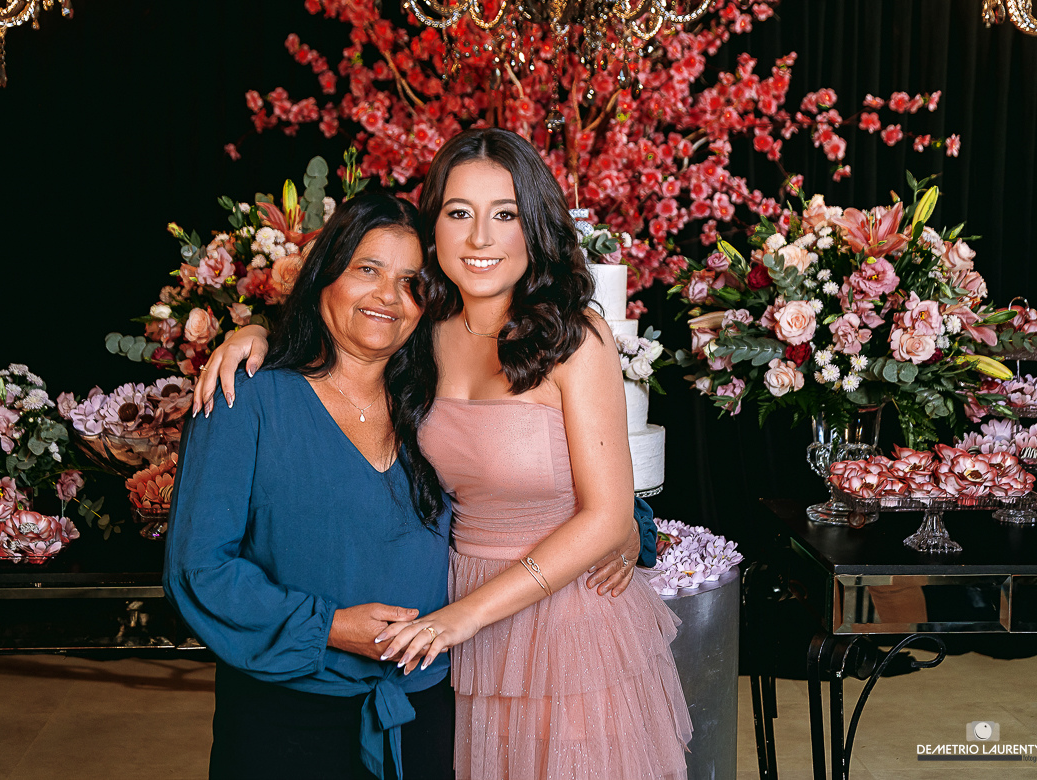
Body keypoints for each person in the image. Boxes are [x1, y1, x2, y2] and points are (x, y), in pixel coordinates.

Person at [195, 128, 691, 779]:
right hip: (455, 633)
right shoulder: (418, 328)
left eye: (504, 214)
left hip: (559, 621)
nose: (481, 238)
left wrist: (464, 617)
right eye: (460, 213)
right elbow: (340, 332)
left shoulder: (576, 336)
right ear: (434, 229)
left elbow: (605, 513)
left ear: (535, 224)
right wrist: (255, 333)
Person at [165, 193, 456, 780]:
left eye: (411, 283)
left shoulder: (438, 405)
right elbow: (198, 570)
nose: (388, 296)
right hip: (285, 720)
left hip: (422, 714)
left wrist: (621, 521)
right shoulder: (245, 398)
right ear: (325, 275)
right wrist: (331, 627)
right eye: (367, 269)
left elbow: (522, 493)